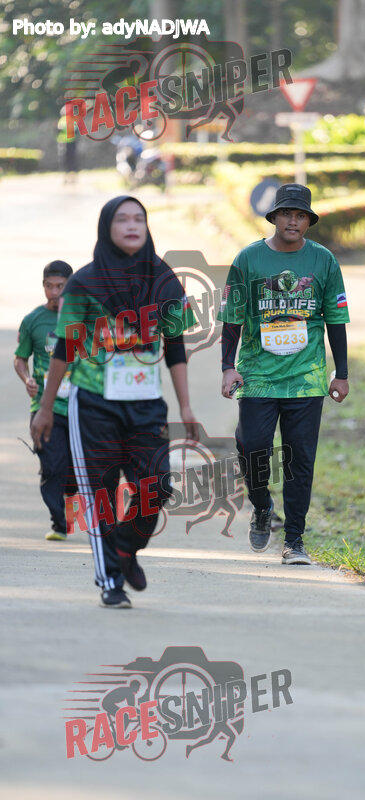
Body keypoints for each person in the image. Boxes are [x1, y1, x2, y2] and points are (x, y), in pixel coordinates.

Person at [31, 196, 199, 608]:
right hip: (93, 404)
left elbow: (176, 345)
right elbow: (64, 349)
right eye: (122, 219)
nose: (132, 225)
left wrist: (185, 407)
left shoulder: (164, 280)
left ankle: (126, 547)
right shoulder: (84, 283)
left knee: (157, 485)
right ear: (107, 228)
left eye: (139, 218)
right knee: (100, 493)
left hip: (146, 402)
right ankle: (110, 581)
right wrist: (46, 408)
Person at [219, 184, 350, 565]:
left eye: (300, 215)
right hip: (257, 375)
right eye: (287, 214)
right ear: (274, 217)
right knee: (253, 447)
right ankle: (261, 505)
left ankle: (294, 540)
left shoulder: (323, 261)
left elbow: (336, 319)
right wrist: (228, 367)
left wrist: (341, 373)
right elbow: (231, 319)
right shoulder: (249, 259)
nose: (293, 221)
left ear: (308, 221)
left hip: (306, 378)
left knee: (300, 461)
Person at [14, 260, 74, 541]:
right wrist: (27, 378)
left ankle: (71, 497)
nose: (54, 292)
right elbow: (20, 358)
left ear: (70, 286)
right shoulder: (33, 320)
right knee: (52, 466)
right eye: (49, 286)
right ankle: (59, 524)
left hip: (80, 406)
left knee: (75, 470)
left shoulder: (84, 318)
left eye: (60, 286)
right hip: (44, 406)